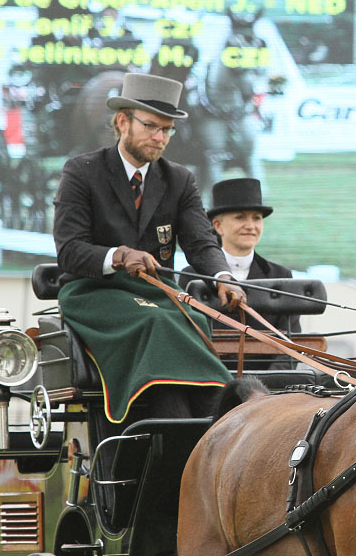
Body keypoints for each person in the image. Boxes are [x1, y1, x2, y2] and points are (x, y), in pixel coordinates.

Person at [52, 72, 245, 431]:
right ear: (122, 122)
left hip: (155, 295)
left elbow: (202, 242)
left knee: (197, 318)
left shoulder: (179, 179)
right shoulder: (81, 172)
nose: (160, 138)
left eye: (167, 130)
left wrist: (224, 277)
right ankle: (178, 425)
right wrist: (119, 255)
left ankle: (210, 422)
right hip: (92, 292)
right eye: (152, 127)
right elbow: (70, 251)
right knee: (157, 320)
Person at [180, 178, 299, 370]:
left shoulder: (281, 274)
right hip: (211, 383)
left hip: (269, 390)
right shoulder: (191, 276)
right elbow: (187, 340)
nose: (251, 226)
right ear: (218, 226)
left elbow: (291, 343)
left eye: (256, 218)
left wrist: (269, 387)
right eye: (240, 217)